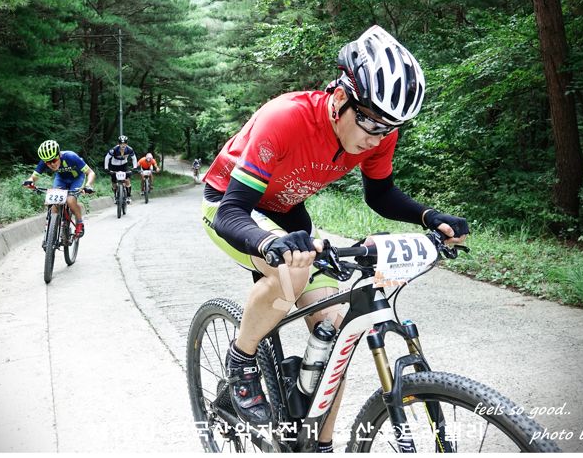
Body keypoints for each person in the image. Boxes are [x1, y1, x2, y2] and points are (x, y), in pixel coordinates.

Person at [200, 25, 469, 452]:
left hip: (288, 212)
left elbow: (380, 195)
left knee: (334, 333)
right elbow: (233, 210)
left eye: (388, 129)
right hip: (232, 204)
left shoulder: (378, 131)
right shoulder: (285, 118)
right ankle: (242, 360)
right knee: (288, 277)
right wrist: (270, 245)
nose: (374, 138)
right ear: (341, 98)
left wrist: (429, 216)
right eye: (369, 123)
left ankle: (319, 446)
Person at [23, 140, 96, 237]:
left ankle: (79, 223)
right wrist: (30, 181)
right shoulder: (45, 161)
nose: (52, 164)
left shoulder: (71, 157)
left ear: (59, 155)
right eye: (48, 163)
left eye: (54, 160)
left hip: (77, 178)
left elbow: (91, 173)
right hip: (61, 178)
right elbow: (34, 176)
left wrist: (88, 185)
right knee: (54, 202)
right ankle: (51, 232)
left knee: (70, 200)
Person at [104, 135, 138, 204]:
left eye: (124, 143)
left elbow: (134, 158)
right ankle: (115, 196)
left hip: (124, 165)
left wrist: (135, 167)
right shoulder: (114, 150)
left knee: (127, 180)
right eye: (121, 143)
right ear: (119, 143)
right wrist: (106, 168)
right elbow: (107, 158)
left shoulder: (129, 149)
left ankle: (128, 196)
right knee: (114, 182)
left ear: (127, 143)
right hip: (114, 165)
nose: (123, 145)